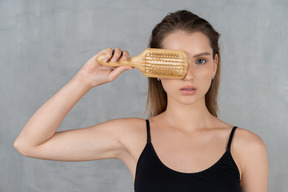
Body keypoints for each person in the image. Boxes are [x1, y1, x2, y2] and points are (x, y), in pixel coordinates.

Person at [14, 10, 268, 192]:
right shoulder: (132, 136)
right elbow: (29, 144)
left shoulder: (247, 146)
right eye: (174, 62)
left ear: (215, 65)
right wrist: (84, 79)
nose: (188, 74)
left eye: (200, 60)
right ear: (156, 68)